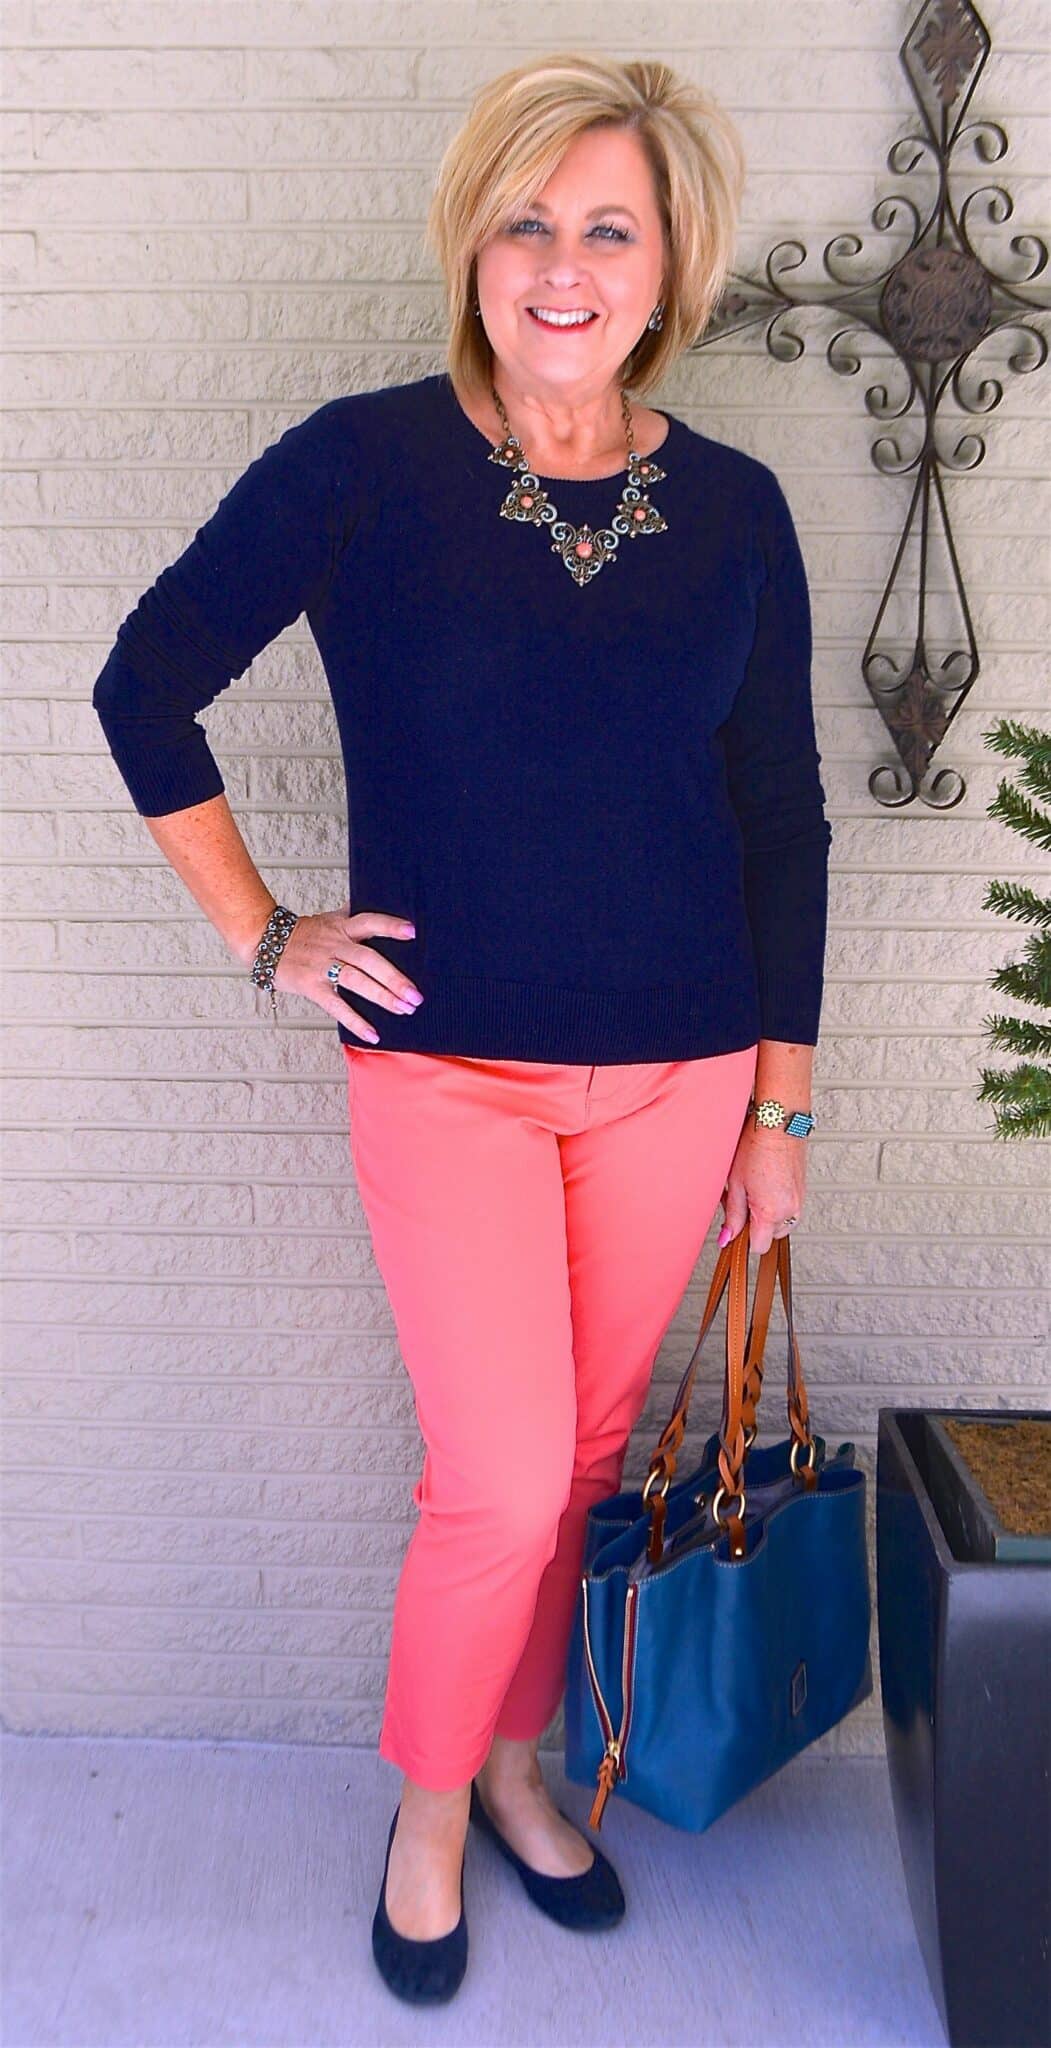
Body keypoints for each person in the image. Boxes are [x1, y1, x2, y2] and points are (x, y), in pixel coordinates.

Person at [91, 50, 831, 2007]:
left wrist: (781, 1110)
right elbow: (145, 685)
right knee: (498, 1479)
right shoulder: (363, 466)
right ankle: (428, 1813)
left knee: (577, 1461)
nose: (563, 264)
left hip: (683, 1075)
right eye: (527, 221)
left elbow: (781, 818)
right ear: (472, 247)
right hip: (449, 1074)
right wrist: (267, 933)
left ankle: (515, 1770)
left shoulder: (736, 508)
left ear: (668, 270)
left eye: (609, 228)